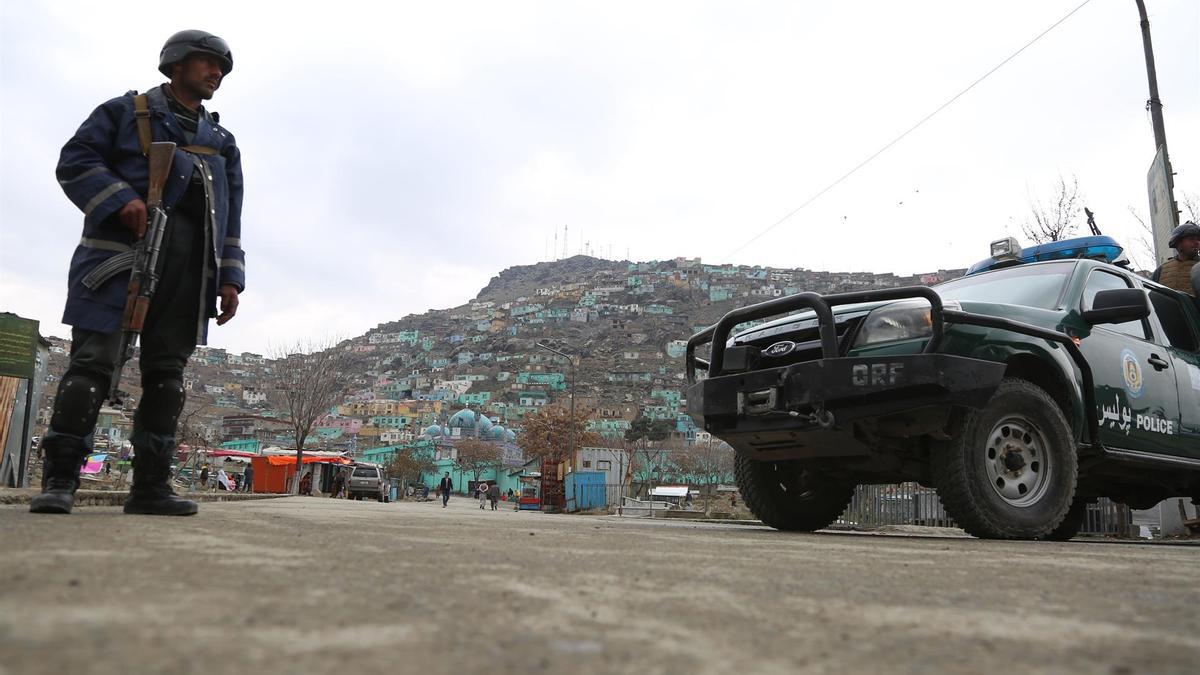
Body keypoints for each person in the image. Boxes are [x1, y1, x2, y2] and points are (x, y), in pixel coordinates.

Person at [31, 30, 244, 516]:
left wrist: (229, 278)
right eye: (207, 63)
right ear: (175, 63)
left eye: (221, 68)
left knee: (168, 378)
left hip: (189, 272)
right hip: (116, 260)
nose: (216, 74)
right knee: (91, 368)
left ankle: (150, 487)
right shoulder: (125, 112)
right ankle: (61, 479)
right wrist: (121, 199)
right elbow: (76, 160)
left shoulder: (223, 143)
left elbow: (232, 218)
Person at [1151, 221, 1200, 298]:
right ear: (1178, 242)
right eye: (1191, 239)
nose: (1197, 242)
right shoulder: (1161, 270)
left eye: (1198, 239)